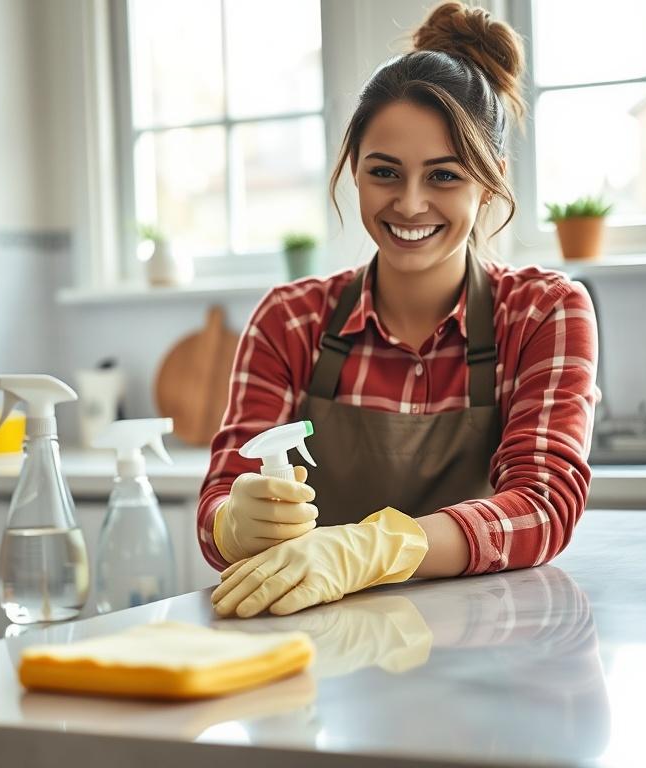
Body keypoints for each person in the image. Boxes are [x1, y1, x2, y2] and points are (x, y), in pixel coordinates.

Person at [201, 1, 599, 619]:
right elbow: (220, 498)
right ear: (354, 171)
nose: (410, 204)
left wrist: (366, 549)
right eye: (385, 172)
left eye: (443, 177)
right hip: (324, 662)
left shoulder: (542, 313)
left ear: (490, 178)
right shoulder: (291, 321)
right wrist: (234, 524)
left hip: (494, 656)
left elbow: (544, 506)